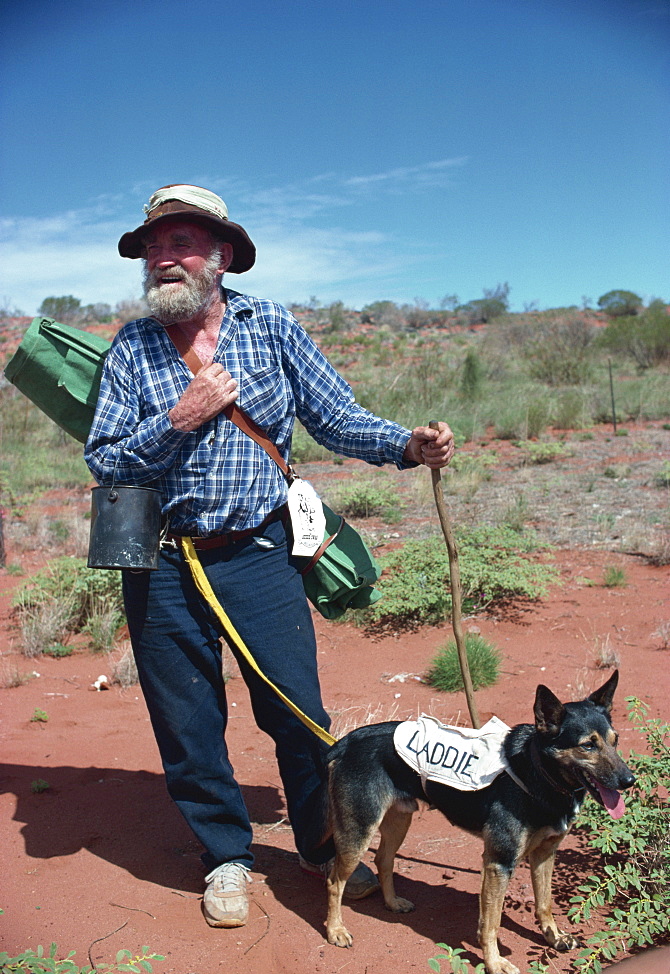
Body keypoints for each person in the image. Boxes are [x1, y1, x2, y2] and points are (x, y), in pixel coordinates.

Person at [84, 184, 455, 929]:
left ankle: (322, 850)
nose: (165, 258)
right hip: (158, 562)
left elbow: (336, 415)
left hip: (257, 552)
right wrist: (177, 420)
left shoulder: (271, 325)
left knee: (297, 712)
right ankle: (225, 855)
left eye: (181, 243)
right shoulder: (131, 347)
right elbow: (107, 459)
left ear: (220, 258)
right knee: (186, 721)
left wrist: (404, 445)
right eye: (154, 246)